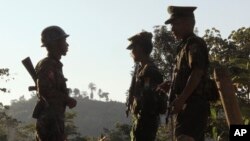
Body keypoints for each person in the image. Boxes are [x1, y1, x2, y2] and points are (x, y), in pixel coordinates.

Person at [158, 6, 210, 141]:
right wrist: (172, 88)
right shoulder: (183, 46)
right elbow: (188, 76)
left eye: (176, 24)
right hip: (187, 107)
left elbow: (197, 72)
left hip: (193, 106)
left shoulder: (194, 43)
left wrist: (181, 98)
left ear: (188, 23)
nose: (172, 29)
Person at [35, 25, 77, 141]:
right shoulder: (48, 64)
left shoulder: (54, 64)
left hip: (54, 119)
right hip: (50, 121)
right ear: (55, 44)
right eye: (64, 41)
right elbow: (44, 90)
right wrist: (67, 99)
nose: (67, 45)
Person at [126, 31, 164, 141]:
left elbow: (149, 100)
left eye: (134, 49)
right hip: (142, 120)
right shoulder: (141, 70)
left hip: (146, 121)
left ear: (140, 49)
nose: (132, 52)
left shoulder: (150, 71)